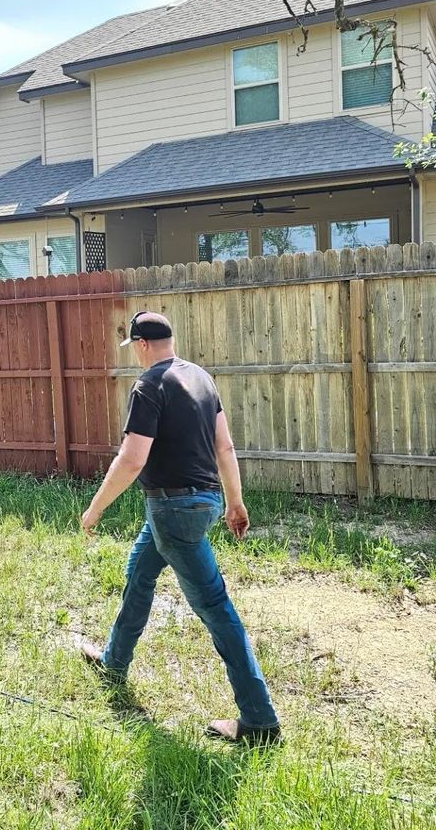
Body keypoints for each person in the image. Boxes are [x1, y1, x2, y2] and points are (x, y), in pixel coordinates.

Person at [79, 310, 281, 745]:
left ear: (142, 344)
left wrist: (95, 509)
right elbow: (224, 445)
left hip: (173, 510)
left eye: (134, 346)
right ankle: (114, 661)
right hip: (201, 503)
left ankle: (260, 721)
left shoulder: (149, 385)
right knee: (139, 574)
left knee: (217, 608)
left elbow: (132, 460)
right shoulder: (202, 379)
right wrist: (234, 502)